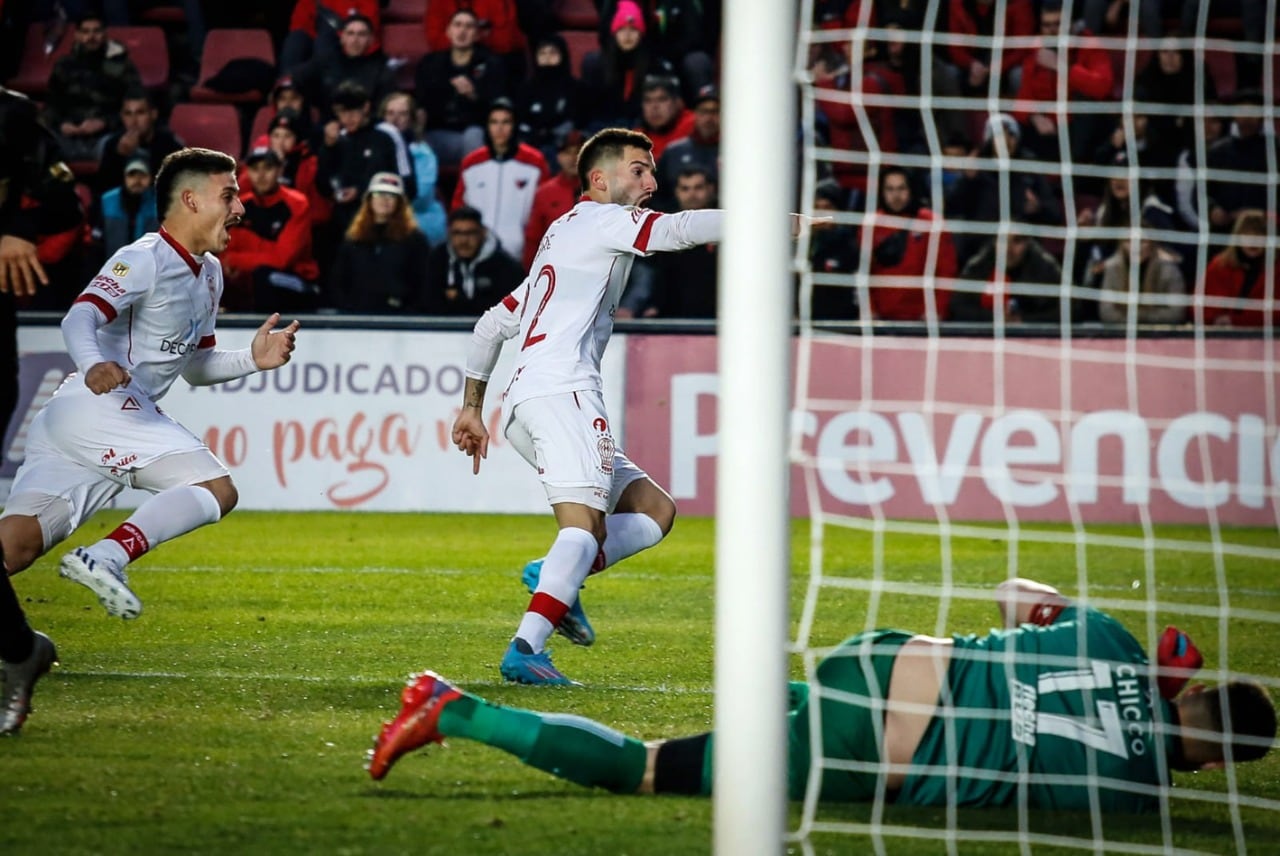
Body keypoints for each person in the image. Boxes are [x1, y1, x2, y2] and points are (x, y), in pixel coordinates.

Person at [367, 577, 1277, 809]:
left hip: (877, 663)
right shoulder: (1139, 798)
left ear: (1194, 686)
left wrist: (1150, 671)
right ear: (1214, 767)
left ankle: (450, 704)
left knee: (757, 724)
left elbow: (1011, 597)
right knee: (647, 771)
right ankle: (453, 709)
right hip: (875, 754)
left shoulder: (1115, 642)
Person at [449, 128, 724, 684]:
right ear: (599, 179)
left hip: (525, 403)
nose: (652, 182)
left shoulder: (562, 234)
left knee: (655, 511)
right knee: (582, 529)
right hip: (563, 392)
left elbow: (491, 324)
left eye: (652, 171)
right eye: (639, 170)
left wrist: (472, 408)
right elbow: (677, 230)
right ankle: (526, 649)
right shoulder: (605, 221)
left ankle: (556, 575)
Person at [0, 147, 300, 627]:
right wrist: (94, 364)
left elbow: (196, 366)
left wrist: (252, 359)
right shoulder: (144, 258)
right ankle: (106, 556)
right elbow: (80, 316)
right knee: (214, 488)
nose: (240, 208)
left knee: (15, 546)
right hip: (101, 404)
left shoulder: (210, 273)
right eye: (229, 195)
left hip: (80, 425)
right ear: (191, 200)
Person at [0, 86, 69, 735]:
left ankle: (20, 648)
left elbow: (64, 197)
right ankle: (20, 648)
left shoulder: (12, 118)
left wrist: (19, 228)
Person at [1011, 1, 1114, 166]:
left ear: (1071, 24)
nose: (1052, 30)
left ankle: (1076, 171)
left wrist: (1061, 66)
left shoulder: (1088, 44)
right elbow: (1025, 93)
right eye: (1046, 25)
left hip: (1079, 127)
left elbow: (1103, 87)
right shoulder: (1039, 48)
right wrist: (1034, 116)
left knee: (1084, 103)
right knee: (1010, 125)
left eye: (1058, 24)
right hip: (1049, 126)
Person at [221, 146, 320, 313]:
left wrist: (236, 259)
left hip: (297, 281)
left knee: (263, 276)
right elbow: (224, 254)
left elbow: (282, 259)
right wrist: (234, 259)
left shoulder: (297, 204)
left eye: (268, 168)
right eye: (255, 169)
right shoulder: (241, 206)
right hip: (251, 282)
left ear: (280, 170)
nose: (261, 175)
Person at [451, 98, 549, 265]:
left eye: (506, 122)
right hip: (478, 253)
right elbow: (459, 206)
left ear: (514, 126)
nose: (499, 128)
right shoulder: (471, 164)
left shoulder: (535, 163)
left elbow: (541, 210)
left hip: (520, 254)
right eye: (494, 122)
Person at [41, 9, 142, 162]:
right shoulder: (64, 65)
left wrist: (104, 123)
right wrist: (61, 125)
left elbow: (136, 107)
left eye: (96, 31)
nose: (91, 37)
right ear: (77, 35)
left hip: (107, 136)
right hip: (67, 136)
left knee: (126, 145)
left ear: (105, 34)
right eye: (85, 32)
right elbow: (51, 105)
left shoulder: (122, 66)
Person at [620, 165, 718, 318]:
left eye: (698, 188)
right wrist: (651, 305)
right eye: (685, 189)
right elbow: (652, 274)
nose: (692, 194)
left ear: (711, 189)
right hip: (671, 318)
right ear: (676, 192)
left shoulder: (726, 226)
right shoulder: (663, 228)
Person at [415, 8, 508, 170]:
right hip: (439, 132)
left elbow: (499, 105)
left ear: (477, 35)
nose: (462, 31)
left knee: (473, 136)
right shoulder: (430, 63)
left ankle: (474, 185)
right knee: (417, 144)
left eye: (469, 26)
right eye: (457, 25)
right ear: (448, 31)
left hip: (475, 132)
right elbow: (421, 102)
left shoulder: (492, 63)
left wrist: (474, 95)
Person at [328, 172, 433, 314]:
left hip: (400, 317)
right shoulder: (354, 238)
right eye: (379, 193)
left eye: (391, 195)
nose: (385, 199)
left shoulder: (415, 240)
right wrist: (349, 308)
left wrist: (408, 312)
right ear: (369, 199)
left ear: (400, 202)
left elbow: (423, 283)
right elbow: (338, 281)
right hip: (357, 316)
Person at [863, 165, 957, 322]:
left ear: (911, 189)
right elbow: (864, 273)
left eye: (902, 188)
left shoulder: (931, 222)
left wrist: (936, 310)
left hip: (923, 319)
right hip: (881, 319)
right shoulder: (870, 224)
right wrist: (869, 310)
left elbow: (946, 271)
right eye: (890, 189)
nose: (896, 195)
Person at [316, 81, 409, 234]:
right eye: (342, 113)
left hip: (383, 219)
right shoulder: (338, 139)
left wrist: (361, 191)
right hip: (345, 221)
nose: (347, 118)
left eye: (352, 111)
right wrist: (328, 148)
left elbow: (407, 181)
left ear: (365, 107)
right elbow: (323, 186)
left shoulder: (387, 134)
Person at [950, 226, 1068, 324]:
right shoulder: (980, 265)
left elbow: (1071, 309)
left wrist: (1025, 320)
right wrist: (995, 318)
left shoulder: (1044, 267)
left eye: (1017, 241)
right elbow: (958, 307)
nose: (1008, 249)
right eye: (1003, 241)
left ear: (1028, 243)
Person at [424, 205, 525, 316]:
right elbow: (428, 304)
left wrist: (458, 300)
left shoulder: (506, 267)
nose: (464, 240)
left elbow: (505, 311)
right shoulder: (437, 260)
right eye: (457, 233)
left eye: (470, 233)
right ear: (449, 234)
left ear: (483, 233)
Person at [295, 13, 396, 122]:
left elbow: (383, 110)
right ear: (342, 38)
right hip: (328, 125)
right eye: (350, 33)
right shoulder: (326, 61)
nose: (355, 40)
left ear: (371, 39)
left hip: (366, 126)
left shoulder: (382, 69)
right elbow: (295, 77)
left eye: (361, 34)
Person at [378, 92, 447, 246]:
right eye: (390, 113)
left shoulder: (423, 154)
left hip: (419, 223)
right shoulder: (373, 150)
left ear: (412, 119)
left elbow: (421, 198)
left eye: (402, 114)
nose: (395, 119)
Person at [1197, 209, 1278, 329]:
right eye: (1247, 235)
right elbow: (1199, 307)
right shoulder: (1220, 265)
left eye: (1259, 236)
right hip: (1220, 335)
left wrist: (1237, 320)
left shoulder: (1277, 270)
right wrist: (1216, 319)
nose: (1253, 242)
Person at [95, 89, 184, 195]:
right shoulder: (112, 145)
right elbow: (103, 190)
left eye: (140, 113)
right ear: (122, 116)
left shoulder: (170, 145)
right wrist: (119, 157)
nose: (133, 121)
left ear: (153, 114)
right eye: (128, 114)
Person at [1097, 228, 1187, 326]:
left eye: (1142, 241)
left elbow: (1176, 314)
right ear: (1122, 244)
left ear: (1152, 244)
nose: (1136, 247)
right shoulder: (1113, 268)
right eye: (1129, 241)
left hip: (1160, 331)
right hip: (1121, 330)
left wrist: (1137, 316)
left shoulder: (1168, 269)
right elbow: (1106, 312)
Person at [523, 129, 584, 270]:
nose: (573, 158)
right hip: (555, 269)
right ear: (558, 157)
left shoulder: (603, 190)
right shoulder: (545, 192)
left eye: (578, 152)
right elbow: (533, 238)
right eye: (567, 153)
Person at [654, 83, 720, 212]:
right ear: (694, 114)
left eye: (715, 111)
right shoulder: (673, 152)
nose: (709, 118)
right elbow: (657, 196)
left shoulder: (738, 154)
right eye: (703, 111)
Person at [93, 156, 159, 260]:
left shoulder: (159, 203)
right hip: (114, 264)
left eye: (142, 176)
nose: (137, 180)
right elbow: (97, 240)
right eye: (132, 175)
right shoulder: (107, 200)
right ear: (125, 178)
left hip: (148, 265)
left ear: (150, 178)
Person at [634, 75, 693, 163]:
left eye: (662, 99)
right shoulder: (636, 139)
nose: (654, 107)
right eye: (648, 101)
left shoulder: (694, 125)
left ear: (678, 103)